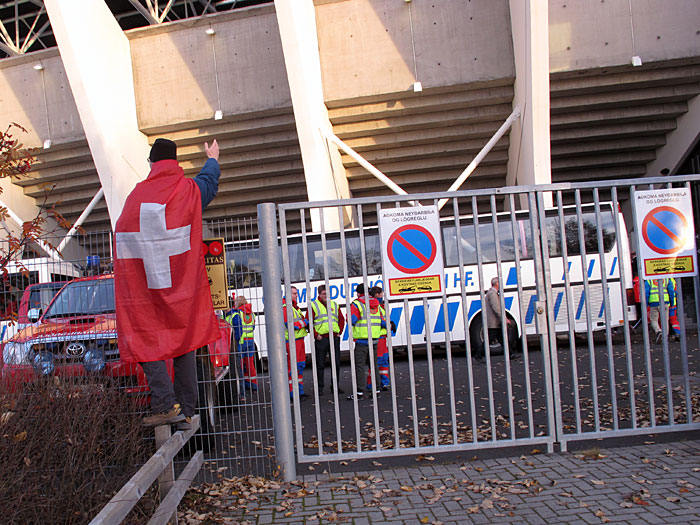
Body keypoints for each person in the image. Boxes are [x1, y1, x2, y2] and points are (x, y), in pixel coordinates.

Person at [115, 137, 221, 427]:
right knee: (185, 340)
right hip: (182, 286)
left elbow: (122, 233)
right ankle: (186, 410)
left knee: (143, 338)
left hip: (146, 285)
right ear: (176, 162)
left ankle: (164, 403)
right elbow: (208, 183)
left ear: (151, 163)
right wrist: (212, 158)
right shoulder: (188, 190)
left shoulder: (136, 196)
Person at [348, 284, 385, 400]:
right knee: (373, 365)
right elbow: (382, 321)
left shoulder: (356, 304)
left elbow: (353, 320)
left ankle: (359, 393)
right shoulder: (377, 304)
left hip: (362, 340)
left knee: (359, 366)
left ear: (358, 293)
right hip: (374, 340)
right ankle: (376, 391)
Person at [307, 284, 345, 395]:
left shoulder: (334, 304)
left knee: (336, 363)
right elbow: (308, 322)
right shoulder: (313, 305)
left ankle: (335, 387)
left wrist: (339, 332)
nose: (326, 296)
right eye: (324, 294)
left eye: (327, 294)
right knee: (320, 364)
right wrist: (315, 335)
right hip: (321, 339)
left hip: (334, 338)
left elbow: (341, 319)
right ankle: (320, 388)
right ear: (319, 294)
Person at [225, 295, 258, 394]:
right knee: (250, 363)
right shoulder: (251, 314)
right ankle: (254, 384)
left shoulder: (238, 313)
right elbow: (252, 327)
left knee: (240, 365)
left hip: (242, 341)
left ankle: (244, 387)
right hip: (251, 341)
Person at [284, 286, 309, 398]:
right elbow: (290, 325)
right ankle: (291, 393)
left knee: (299, 365)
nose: (296, 295)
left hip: (298, 340)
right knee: (292, 367)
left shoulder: (294, 307)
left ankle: (299, 391)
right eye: (294, 293)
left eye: (296, 293)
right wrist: (304, 323)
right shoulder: (285, 307)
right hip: (292, 341)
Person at [483, 277, 513, 357]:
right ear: (496, 284)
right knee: (489, 340)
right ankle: (478, 355)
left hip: (495, 321)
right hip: (494, 321)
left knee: (502, 339)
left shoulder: (492, 293)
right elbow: (496, 308)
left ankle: (511, 354)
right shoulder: (492, 294)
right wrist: (504, 318)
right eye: (500, 283)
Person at [368, 285, 391, 390]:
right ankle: (374, 384)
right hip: (378, 337)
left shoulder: (380, 306)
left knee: (383, 361)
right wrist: (387, 324)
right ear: (377, 295)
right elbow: (376, 320)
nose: (383, 296)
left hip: (382, 337)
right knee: (378, 361)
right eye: (381, 294)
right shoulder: (374, 305)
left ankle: (383, 382)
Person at [645, 277, 676, 343]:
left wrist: (646, 303)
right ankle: (665, 337)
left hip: (653, 303)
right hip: (664, 302)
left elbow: (646, 293)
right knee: (665, 321)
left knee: (654, 320)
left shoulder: (649, 280)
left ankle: (658, 331)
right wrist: (672, 302)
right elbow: (671, 291)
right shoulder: (666, 279)